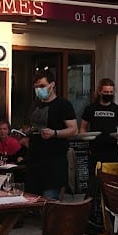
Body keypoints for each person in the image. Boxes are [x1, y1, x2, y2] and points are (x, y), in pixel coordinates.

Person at [23, 68, 78, 198]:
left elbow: (73, 129)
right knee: (31, 201)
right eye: (36, 87)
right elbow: (30, 124)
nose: (39, 90)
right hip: (34, 161)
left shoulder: (63, 105)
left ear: (52, 85)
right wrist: (27, 132)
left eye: (42, 86)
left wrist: (54, 133)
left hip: (54, 162)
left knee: (50, 203)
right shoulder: (35, 105)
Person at [80, 78, 118, 173]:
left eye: (110, 92)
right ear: (99, 91)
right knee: (95, 180)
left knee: (113, 180)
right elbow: (83, 128)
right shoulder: (90, 108)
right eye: (106, 92)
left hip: (112, 150)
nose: (108, 94)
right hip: (95, 150)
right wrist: (84, 138)